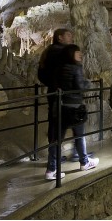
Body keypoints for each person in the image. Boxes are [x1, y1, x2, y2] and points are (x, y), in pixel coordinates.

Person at [47, 44, 98, 177]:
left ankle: (51, 169)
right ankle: (84, 162)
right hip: (74, 107)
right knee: (80, 136)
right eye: (77, 52)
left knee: (57, 139)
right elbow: (80, 87)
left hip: (59, 107)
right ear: (71, 54)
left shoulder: (58, 68)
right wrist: (88, 83)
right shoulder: (76, 68)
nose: (80, 54)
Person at [38, 28, 72, 180]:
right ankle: (52, 168)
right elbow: (65, 73)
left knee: (56, 128)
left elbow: (41, 74)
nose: (71, 37)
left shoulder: (49, 52)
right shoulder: (60, 53)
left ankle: (56, 159)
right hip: (60, 96)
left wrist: (52, 85)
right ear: (60, 38)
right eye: (68, 35)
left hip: (54, 93)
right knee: (58, 130)